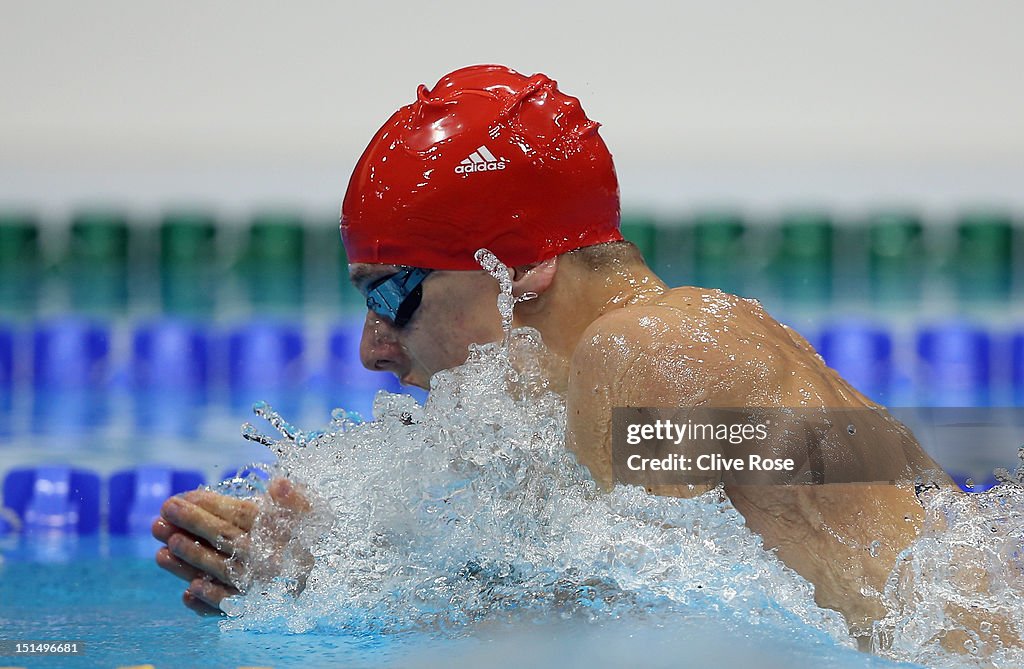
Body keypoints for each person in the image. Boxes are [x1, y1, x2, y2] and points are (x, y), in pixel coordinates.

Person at [153, 64, 959, 642]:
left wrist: (348, 594)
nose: (373, 348)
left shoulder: (643, 348)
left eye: (391, 291)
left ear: (524, 266)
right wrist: (332, 566)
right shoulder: (662, 352)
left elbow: (651, 637)